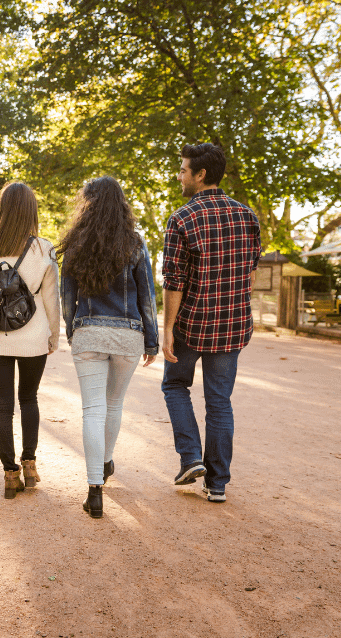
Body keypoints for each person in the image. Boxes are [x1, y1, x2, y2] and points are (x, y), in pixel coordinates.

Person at [162, 143, 260, 503]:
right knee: (219, 402)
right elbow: (250, 272)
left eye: (183, 170)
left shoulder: (182, 218)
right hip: (233, 325)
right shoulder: (247, 216)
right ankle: (217, 485)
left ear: (200, 174)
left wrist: (167, 329)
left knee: (175, 385)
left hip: (192, 324)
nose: (179, 176)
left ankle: (191, 458)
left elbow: (174, 281)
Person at [58, 176, 158, 518]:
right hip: (128, 335)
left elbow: (67, 297)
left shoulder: (76, 243)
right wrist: (151, 341)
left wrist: (72, 331)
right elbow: (147, 296)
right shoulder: (134, 243)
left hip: (89, 332)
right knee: (114, 404)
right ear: (121, 204)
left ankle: (94, 490)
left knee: (92, 410)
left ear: (87, 204)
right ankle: (105, 462)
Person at [0, 182, 61, 499]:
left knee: (3, 405)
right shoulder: (44, 250)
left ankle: (10, 474)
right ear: (31, 211)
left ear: (2, 210)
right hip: (34, 338)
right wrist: (54, 334)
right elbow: (51, 300)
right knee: (29, 399)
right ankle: (30, 464)